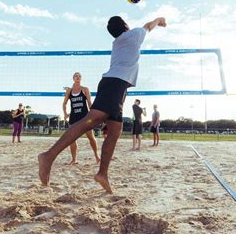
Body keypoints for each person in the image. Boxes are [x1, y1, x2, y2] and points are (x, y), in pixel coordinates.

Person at [38, 15, 166, 194]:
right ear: (126, 26)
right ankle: (48, 156)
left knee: (114, 130)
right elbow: (148, 26)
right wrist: (159, 19)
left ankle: (102, 174)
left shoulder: (118, 42)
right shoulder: (134, 35)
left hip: (117, 86)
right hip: (115, 84)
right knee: (89, 121)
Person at [63, 72, 100, 164]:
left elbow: (89, 102)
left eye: (79, 76)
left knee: (90, 137)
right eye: (76, 76)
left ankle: (97, 156)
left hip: (84, 117)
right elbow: (64, 104)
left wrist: (92, 113)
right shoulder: (69, 91)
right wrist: (65, 114)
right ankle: (74, 159)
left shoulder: (85, 89)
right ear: (73, 78)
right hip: (74, 117)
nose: (78, 77)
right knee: (72, 139)